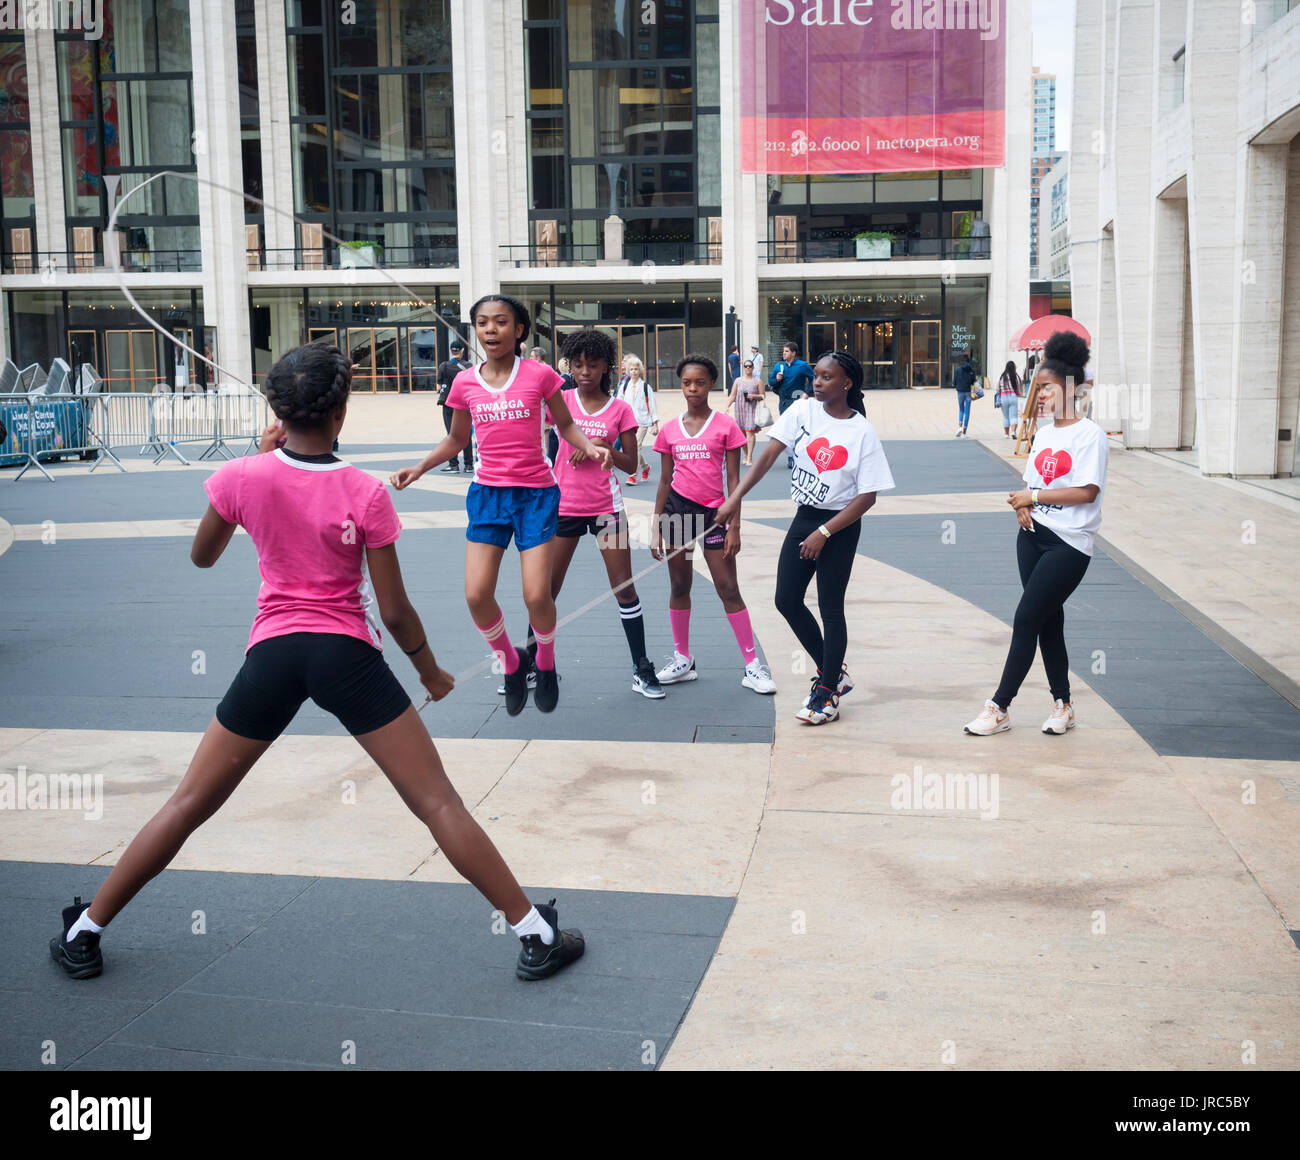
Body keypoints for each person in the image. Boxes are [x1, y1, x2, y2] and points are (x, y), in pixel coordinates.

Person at [49, 344, 585, 984]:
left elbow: (202, 556)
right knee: (438, 802)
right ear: (343, 411)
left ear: (276, 409)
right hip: (346, 657)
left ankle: (86, 931)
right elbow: (394, 611)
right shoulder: (364, 492)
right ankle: (532, 932)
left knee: (189, 802)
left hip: (272, 654)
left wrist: (252, 462)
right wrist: (430, 672)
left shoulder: (241, 477)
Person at [391, 295, 612, 716]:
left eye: (501, 322)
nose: (491, 329)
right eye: (482, 323)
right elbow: (457, 440)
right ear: (475, 330)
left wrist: (591, 447)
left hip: (535, 496)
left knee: (535, 595)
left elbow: (564, 425)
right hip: (489, 495)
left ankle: (544, 662)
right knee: (476, 595)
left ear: (519, 330)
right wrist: (418, 468)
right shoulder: (464, 383)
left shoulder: (541, 375)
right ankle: (513, 663)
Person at [715, 351, 893, 725]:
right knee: (786, 599)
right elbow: (765, 458)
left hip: (839, 526)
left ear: (846, 383)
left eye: (827, 377)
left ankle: (827, 692)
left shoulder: (861, 431)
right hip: (805, 517)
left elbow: (868, 496)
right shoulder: (801, 412)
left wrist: (825, 532)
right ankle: (835, 673)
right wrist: (735, 498)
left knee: (831, 608)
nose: (817, 381)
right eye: (816, 375)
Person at [964, 332, 1107, 738]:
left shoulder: (1089, 436)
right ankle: (1063, 705)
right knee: (1047, 622)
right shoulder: (1044, 435)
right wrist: (1024, 503)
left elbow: (1087, 491)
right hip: (1031, 537)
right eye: (1036, 387)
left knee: (1026, 619)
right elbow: (1031, 481)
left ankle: (999, 706)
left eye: (1044, 387)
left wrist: (1035, 495)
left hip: (1069, 544)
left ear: (1069, 387)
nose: (1037, 394)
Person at [548, 328, 664, 699]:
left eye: (592, 365)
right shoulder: (560, 402)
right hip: (563, 508)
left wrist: (601, 445)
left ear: (605, 367)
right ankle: (537, 661)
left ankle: (641, 667)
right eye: (578, 364)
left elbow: (631, 465)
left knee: (624, 588)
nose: (584, 371)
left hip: (606, 510)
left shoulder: (620, 409)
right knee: (545, 591)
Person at [651, 355, 776, 695]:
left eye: (700, 382)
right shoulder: (669, 429)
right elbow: (664, 481)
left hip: (714, 516)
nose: (693, 389)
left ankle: (752, 665)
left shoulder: (726, 426)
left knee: (728, 588)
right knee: (679, 586)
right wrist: (654, 526)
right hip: (676, 512)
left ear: (711, 384)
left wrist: (735, 525)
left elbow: (734, 481)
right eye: (687, 383)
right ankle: (682, 659)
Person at [769, 341, 815, 468]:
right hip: (784, 401)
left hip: (799, 401)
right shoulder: (779, 366)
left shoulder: (802, 365)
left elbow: (814, 379)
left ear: (794, 353)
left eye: (787, 351)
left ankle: (798, 455)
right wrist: (776, 379)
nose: (784, 353)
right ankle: (791, 456)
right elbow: (770, 381)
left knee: (799, 428)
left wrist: (807, 393)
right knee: (788, 429)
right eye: (783, 351)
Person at [618, 355, 658, 486]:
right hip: (628, 422)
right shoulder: (624, 387)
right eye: (631, 369)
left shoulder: (646, 387)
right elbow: (619, 404)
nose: (634, 371)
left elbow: (652, 405)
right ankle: (645, 467)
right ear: (628, 371)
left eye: (636, 369)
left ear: (640, 370)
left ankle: (632, 475)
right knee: (631, 448)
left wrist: (655, 424)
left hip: (642, 421)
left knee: (637, 446)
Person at [437, 339, 474, 473]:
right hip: (464, 404)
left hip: (448, 404)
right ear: (462, 351)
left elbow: (439, 386)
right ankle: (469, 464)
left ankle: (453, 465)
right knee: (466, 433)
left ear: (451, 351)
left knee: (451, 434)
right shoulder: (469, 366)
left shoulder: (444, 366)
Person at [725, 355, 765, 466]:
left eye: (750, 366)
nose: (748, 368)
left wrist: (754, 396)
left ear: (753, 368)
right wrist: (727, 407)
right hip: (740, 409)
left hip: (752, 409)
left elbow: (763, 396)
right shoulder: (738, 381)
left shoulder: (758, 381)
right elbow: (732, 395)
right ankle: (746, 454)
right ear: (744, 368)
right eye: (746, 366)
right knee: (741, 434)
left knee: (750, 432)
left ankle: (750, 457)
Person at [995, 360, 1022, 439]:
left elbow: (997, 388)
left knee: (1006, 417)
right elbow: (1020, 388)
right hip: (1014, 396)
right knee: (1014, 416)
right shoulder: (1016, 376)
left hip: (1003, 397)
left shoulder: (1002, 376)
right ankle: (1013, 432)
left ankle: (1006, 434)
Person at [953, 350, 976, 437]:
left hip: (960, 392)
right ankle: (964, 432)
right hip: (968, 392)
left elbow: (954, 382)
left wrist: (957, 386)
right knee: (967, 411)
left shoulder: (957, 370)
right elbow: (973, 381)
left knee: (961, 409)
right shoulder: (971, 370)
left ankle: (959, 427)